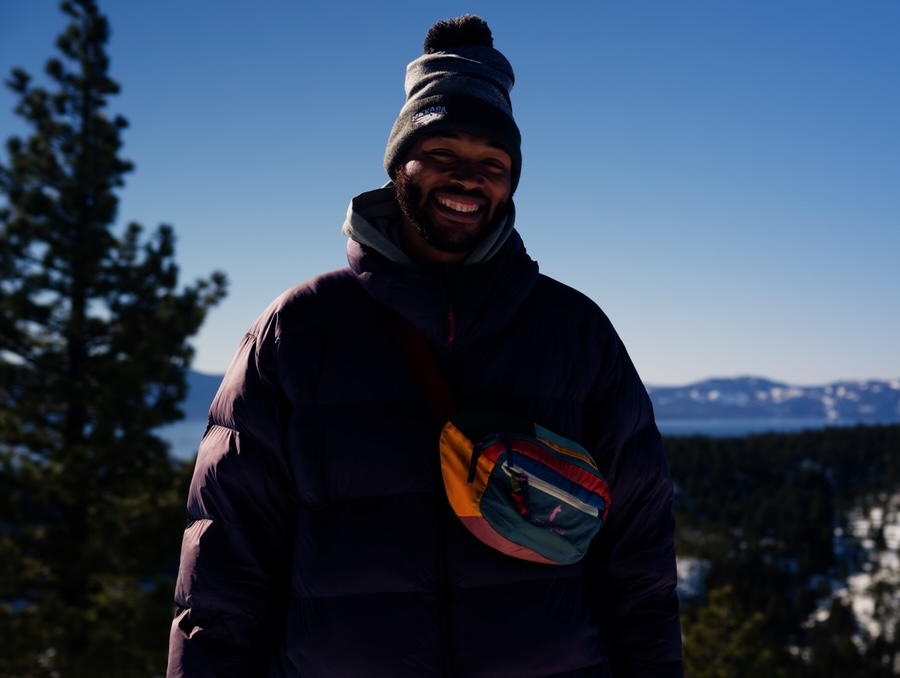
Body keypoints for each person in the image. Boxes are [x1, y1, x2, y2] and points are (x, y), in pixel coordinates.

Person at [167, 15, 683, 678]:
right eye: (443, 155)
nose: (469, 179)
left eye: (492, 164)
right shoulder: (300, 331)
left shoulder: (574, 334)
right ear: (398, 166)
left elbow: (638, 559)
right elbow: (224, 566)